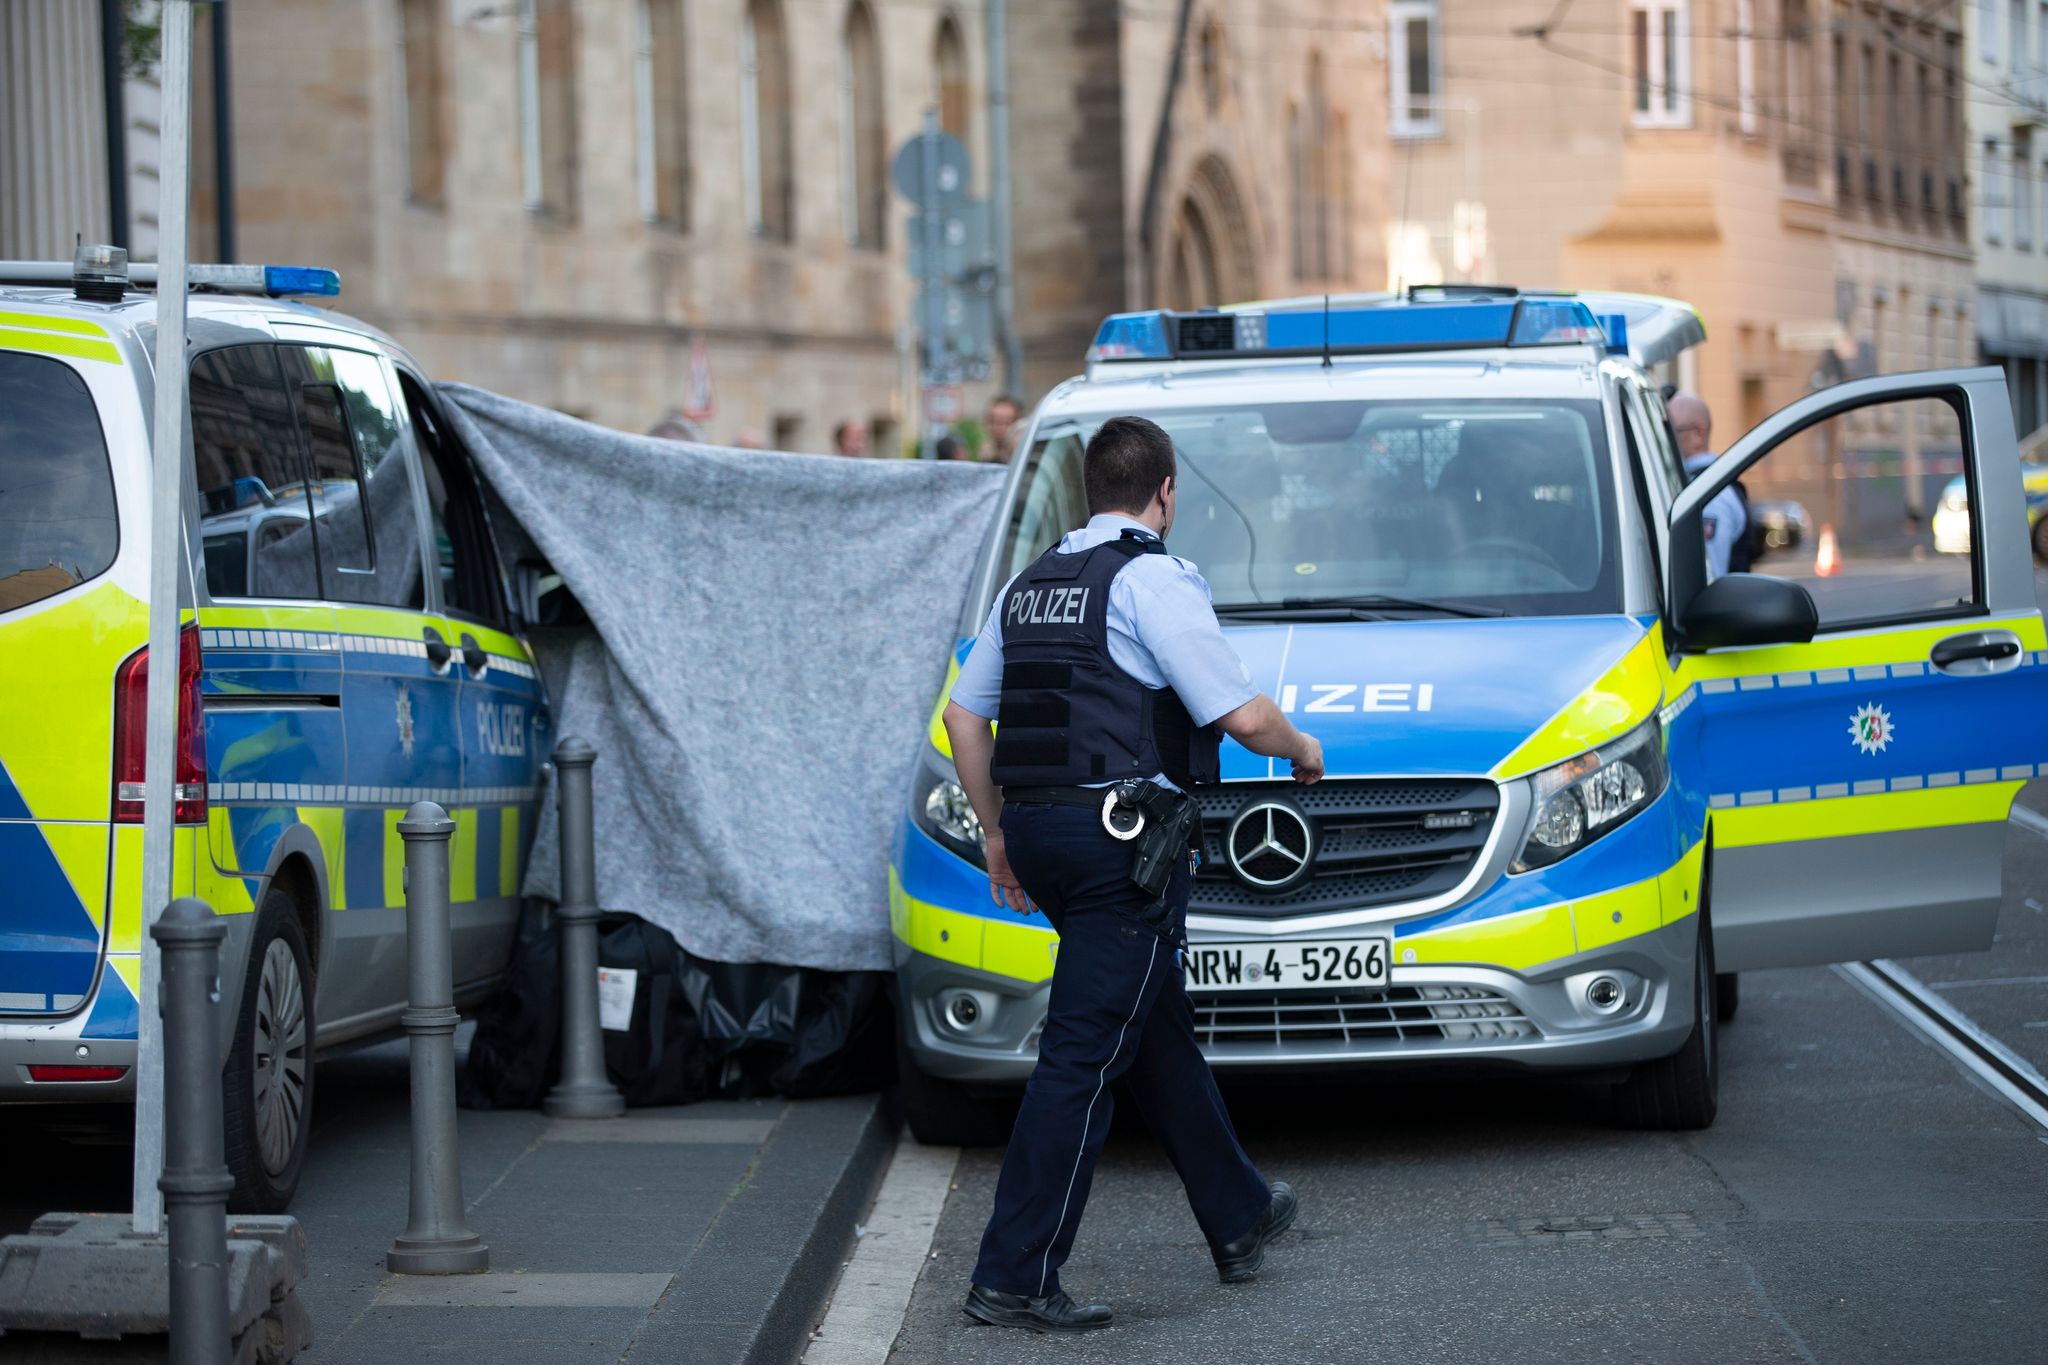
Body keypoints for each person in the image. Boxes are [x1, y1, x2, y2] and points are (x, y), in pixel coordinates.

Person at [941, 415, 1325, 1334]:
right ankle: (1016, 1274)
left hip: (1041, 834)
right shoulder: (1153, 577)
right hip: (1124, 849)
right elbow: (1239, 715)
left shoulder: (1029, 586)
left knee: (1149, 1022)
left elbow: (964, 720)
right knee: (1082, 1055)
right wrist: (1304, 747)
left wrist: (996, 836)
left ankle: (1239, 1213)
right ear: (1164, 494)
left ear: (1087, 491)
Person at [1668, 391, 1749, 578]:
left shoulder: (1711, 496)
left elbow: (1711, 575)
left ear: (1698, 433)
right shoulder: (1704, 483)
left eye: (1672, 432)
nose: (1667, 440)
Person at [982, 394, 1022, 463]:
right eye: (994, 422)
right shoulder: (987, 455)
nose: (1000, 428)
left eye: (1007, 423)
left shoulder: (1022, 455)